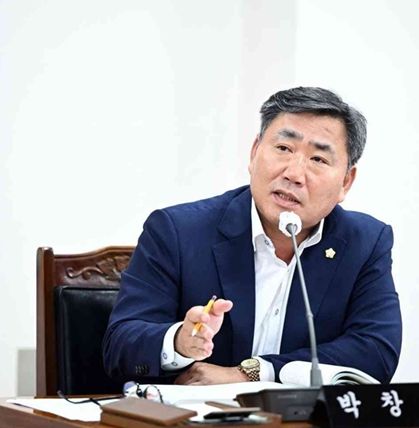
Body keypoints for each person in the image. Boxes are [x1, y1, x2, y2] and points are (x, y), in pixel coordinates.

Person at [103, 87, 402, 385]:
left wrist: (253, 372)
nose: (294, 174)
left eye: (318, 160)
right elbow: (120, 346)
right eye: (283, 148)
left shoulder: (365, 242)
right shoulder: (177, 231)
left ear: (346, 182)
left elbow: (376, 351)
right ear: (254, 152)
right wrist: (179, 342)